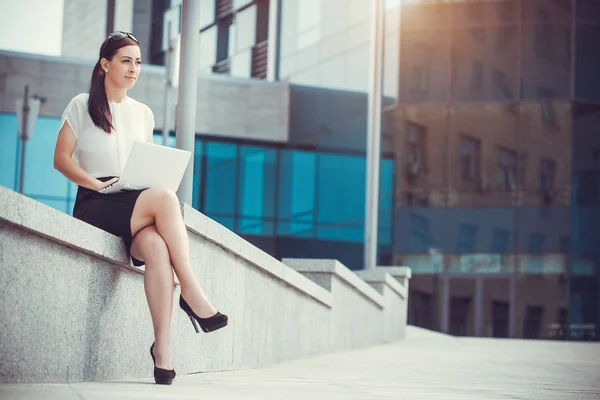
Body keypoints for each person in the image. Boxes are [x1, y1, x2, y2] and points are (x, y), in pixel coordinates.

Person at [53, 31, 228, 385]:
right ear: (105, 64)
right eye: (126, 61)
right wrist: (95, 183)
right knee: (165, 197)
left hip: (131, 197)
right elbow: (61, 160)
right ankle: (191, 291)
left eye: (138, 62)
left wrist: (138, 181)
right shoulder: (81, 104)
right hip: (95, 200)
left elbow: (144, 163)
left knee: (157, 248)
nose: (134, 69)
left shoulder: (143, 113)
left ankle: (162, 350)